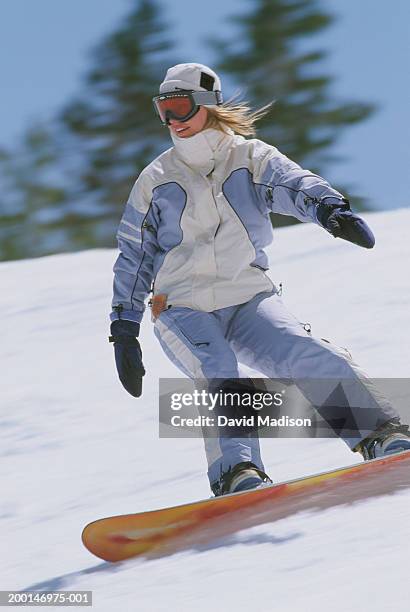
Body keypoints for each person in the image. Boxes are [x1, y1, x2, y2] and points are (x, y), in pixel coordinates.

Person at [109, 62, 410, 496]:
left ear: (207, 106)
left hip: (248, 296)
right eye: (164, 110)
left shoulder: (250, 158)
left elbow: (293, 185)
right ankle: (238, 473)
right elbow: (134, 256)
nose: (173, 121)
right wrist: (123, 328)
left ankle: (381, 434)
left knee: (305, 351)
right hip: (181, 306)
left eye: (180, 107)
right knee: (219, 372)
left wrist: (331, 210)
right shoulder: (155, 180)